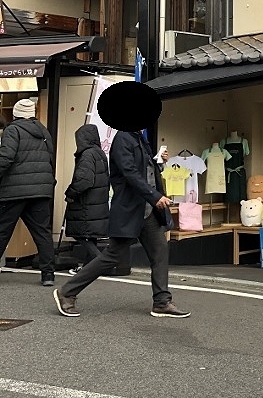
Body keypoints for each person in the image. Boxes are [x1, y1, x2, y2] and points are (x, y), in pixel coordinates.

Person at [54, 129, 190, 318]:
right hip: (130, 209)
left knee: (160, 252)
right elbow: (129, 172)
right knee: (112, 256)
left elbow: (144, 171)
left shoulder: (139, 138)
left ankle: (161, 301)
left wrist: (158, 162)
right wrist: (155, 196)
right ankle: (67, 291)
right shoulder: (123, 138)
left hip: (148, 209)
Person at [0, 98, 56, 286]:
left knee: (2, 230)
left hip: (14, 190)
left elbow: (6, 158)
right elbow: (49, 159)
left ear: (15, 114)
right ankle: (48, 274)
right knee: (42, 233)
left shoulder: (12, 130)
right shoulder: (44, 131)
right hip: (41, 190)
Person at [64, 124, 110, 274]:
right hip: (98, 203)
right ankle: (87, 268)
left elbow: (84, 180)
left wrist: (70, 193)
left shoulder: (87, 155)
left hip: (86, 203)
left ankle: (103, 264)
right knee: (90, 237)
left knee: (82, 235)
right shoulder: (100, 154)